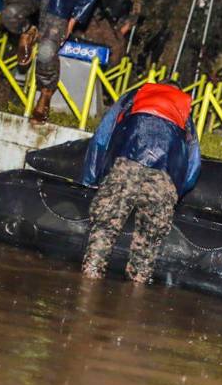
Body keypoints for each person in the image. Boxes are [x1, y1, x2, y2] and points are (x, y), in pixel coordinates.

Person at [79, 82, 201, 283]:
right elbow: (193, 163)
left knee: (104, 228)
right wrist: (177, 192)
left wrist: (91, 177)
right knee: (148, 243)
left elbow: (102, 136)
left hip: (127, 165)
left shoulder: (135, 95)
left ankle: (88, 284)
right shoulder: (184, 111)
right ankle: (136, 290)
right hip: (165, 177)